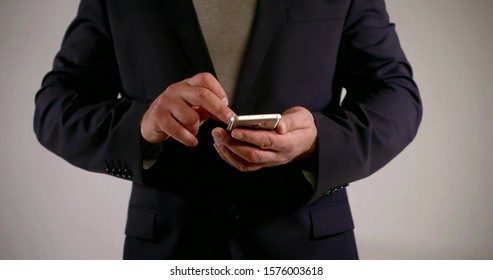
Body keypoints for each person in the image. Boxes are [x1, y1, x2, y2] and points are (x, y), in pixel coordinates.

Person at [33, 0, 422, 260]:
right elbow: (56, 104)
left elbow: (396, 94)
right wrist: (142, 124)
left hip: (309, 249)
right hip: (169, 249)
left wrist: (319, 140)